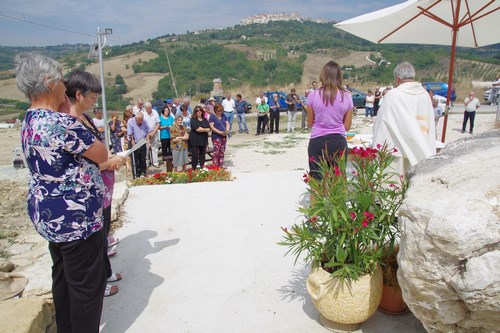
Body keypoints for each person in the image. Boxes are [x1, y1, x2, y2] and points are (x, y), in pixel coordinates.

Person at [17, 53, 108, 332]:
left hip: (49, 214)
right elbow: (101, 153)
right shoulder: (60, 122)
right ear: (48, 82)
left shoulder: (30, 118)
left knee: (63, 277)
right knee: (86, 288)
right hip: (75, 218)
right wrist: (67, 107)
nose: (64, 85)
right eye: (61, 79)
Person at [66, 70, 127, 298]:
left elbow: (99, 149)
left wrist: (110, 157)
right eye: (92, 96)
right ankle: (101, 279)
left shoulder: (87, 118)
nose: (95, 101)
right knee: (97, 237)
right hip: (91, 189)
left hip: (103, 187)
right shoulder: (70, 121)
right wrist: (110, 161)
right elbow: (83, 165)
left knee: (104, 232)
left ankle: (106, 271)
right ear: (79, 94)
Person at [372, 61, 436, 175]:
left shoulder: (393, 95)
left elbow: (381, 122)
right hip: (421, 147)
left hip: (397, 151)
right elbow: (429, 120)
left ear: (398, 78)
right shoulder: (425, 94)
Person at [306, 61, 353, 180]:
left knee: (317, 180)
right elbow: (347, 126)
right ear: (339, 76)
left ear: (323, 75)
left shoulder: (313, 95)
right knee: (338, 180)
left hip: (317, 140)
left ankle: (317, 199)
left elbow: (310, 123)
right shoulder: (347, 96)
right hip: (338, 141)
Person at [127, 112, 150, 178]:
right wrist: (134, 145)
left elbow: (147, 133)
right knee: (135, 159)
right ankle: (136, 174)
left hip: (142, 142)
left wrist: (148, 142)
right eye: (139, 120)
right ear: (136, 119)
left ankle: (143, 172)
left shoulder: (144, 122)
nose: (141, 122)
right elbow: (131, 135)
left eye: (142, 120)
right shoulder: (130, 122)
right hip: (134, 143)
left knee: (143, 159)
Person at [190, 105, 211, 169]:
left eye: (200, 110)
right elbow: (197, 129)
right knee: (195, 156)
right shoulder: (193, 119)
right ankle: (194, 169)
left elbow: (209, 129)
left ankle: (202, 167)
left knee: (202, 155)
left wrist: (202, 129)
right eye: (197, 111)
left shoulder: (204, 119)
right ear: (195, 112)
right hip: (195, 140)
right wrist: (204, 129)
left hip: (203, 140)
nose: (199, 112)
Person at [143, 101, 161, 166]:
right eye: (148, 108)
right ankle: (147, 162)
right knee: (147, 148)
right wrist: (148, 134)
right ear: (145, 108)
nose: (149, 109)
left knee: (155, 147)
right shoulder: (143, 114)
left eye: (150, 108)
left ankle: (155, 162)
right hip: (146, 133)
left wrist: (153, 132)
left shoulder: (155, 112)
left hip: (154, 131)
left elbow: (158, 123)